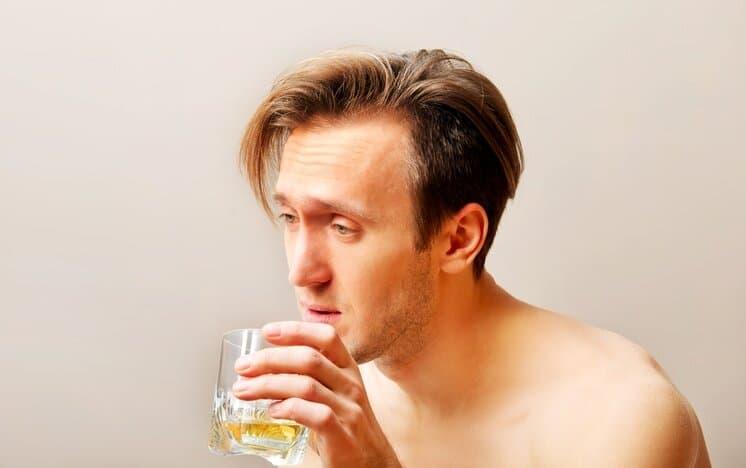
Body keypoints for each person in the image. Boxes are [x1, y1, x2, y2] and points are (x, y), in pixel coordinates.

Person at [230, 47, 711, 467]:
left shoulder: (616, 417)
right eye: (291, 217)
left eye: (342, 227)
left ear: (459, 239)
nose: (300, 272)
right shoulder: (333, 399)